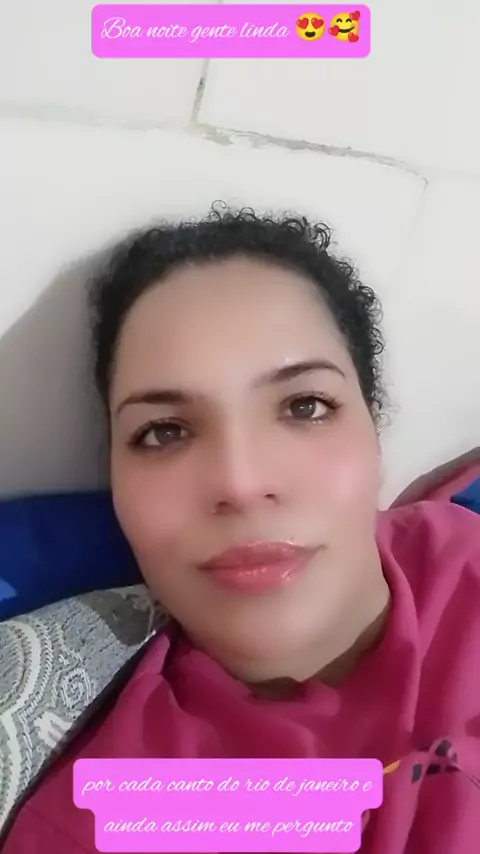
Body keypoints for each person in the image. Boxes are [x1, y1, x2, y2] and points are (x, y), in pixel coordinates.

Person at [2, 206, 480, 854]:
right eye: (164, 432)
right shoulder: (130, 815)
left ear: (374, 432)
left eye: (305, 405)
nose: (241, 481)